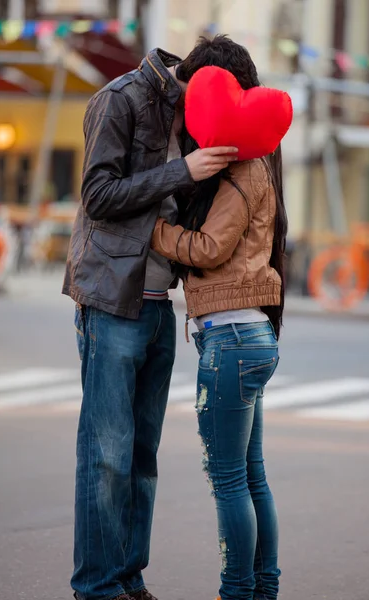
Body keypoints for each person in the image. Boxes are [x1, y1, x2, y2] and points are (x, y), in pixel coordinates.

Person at [63, 40, 239, 600]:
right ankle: (96, 585)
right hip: (113, 299)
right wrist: (181, 170)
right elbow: (97, 194)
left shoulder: (195, 118)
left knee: (141, 458)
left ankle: (127, 577)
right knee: (107, 454)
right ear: (204, 84)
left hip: (164, 305)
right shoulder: (121, 100)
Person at [151, 36, 288, 600]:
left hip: (230, 338)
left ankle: (239, 591)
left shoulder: (239, 174)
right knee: (251, 476)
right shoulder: (257, 168)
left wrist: (154, 232)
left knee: (230, 480)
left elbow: (209, 248)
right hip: (249, 333)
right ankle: (262, 587)